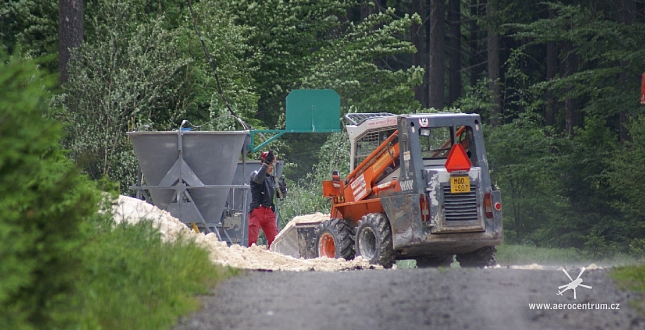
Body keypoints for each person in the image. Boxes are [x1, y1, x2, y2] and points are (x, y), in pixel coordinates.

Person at [248, 150, 287, 248]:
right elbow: (258, 179)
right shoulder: (255, 174)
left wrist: (283, 190)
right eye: (269, 164)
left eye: (272, 164)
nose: (271, 167)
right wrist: (265, 164)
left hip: (269, 211)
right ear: (263, 163)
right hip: (257, 210)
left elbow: (281, 196)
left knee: (275, 241)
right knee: (252, 240)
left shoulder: (272, 179)